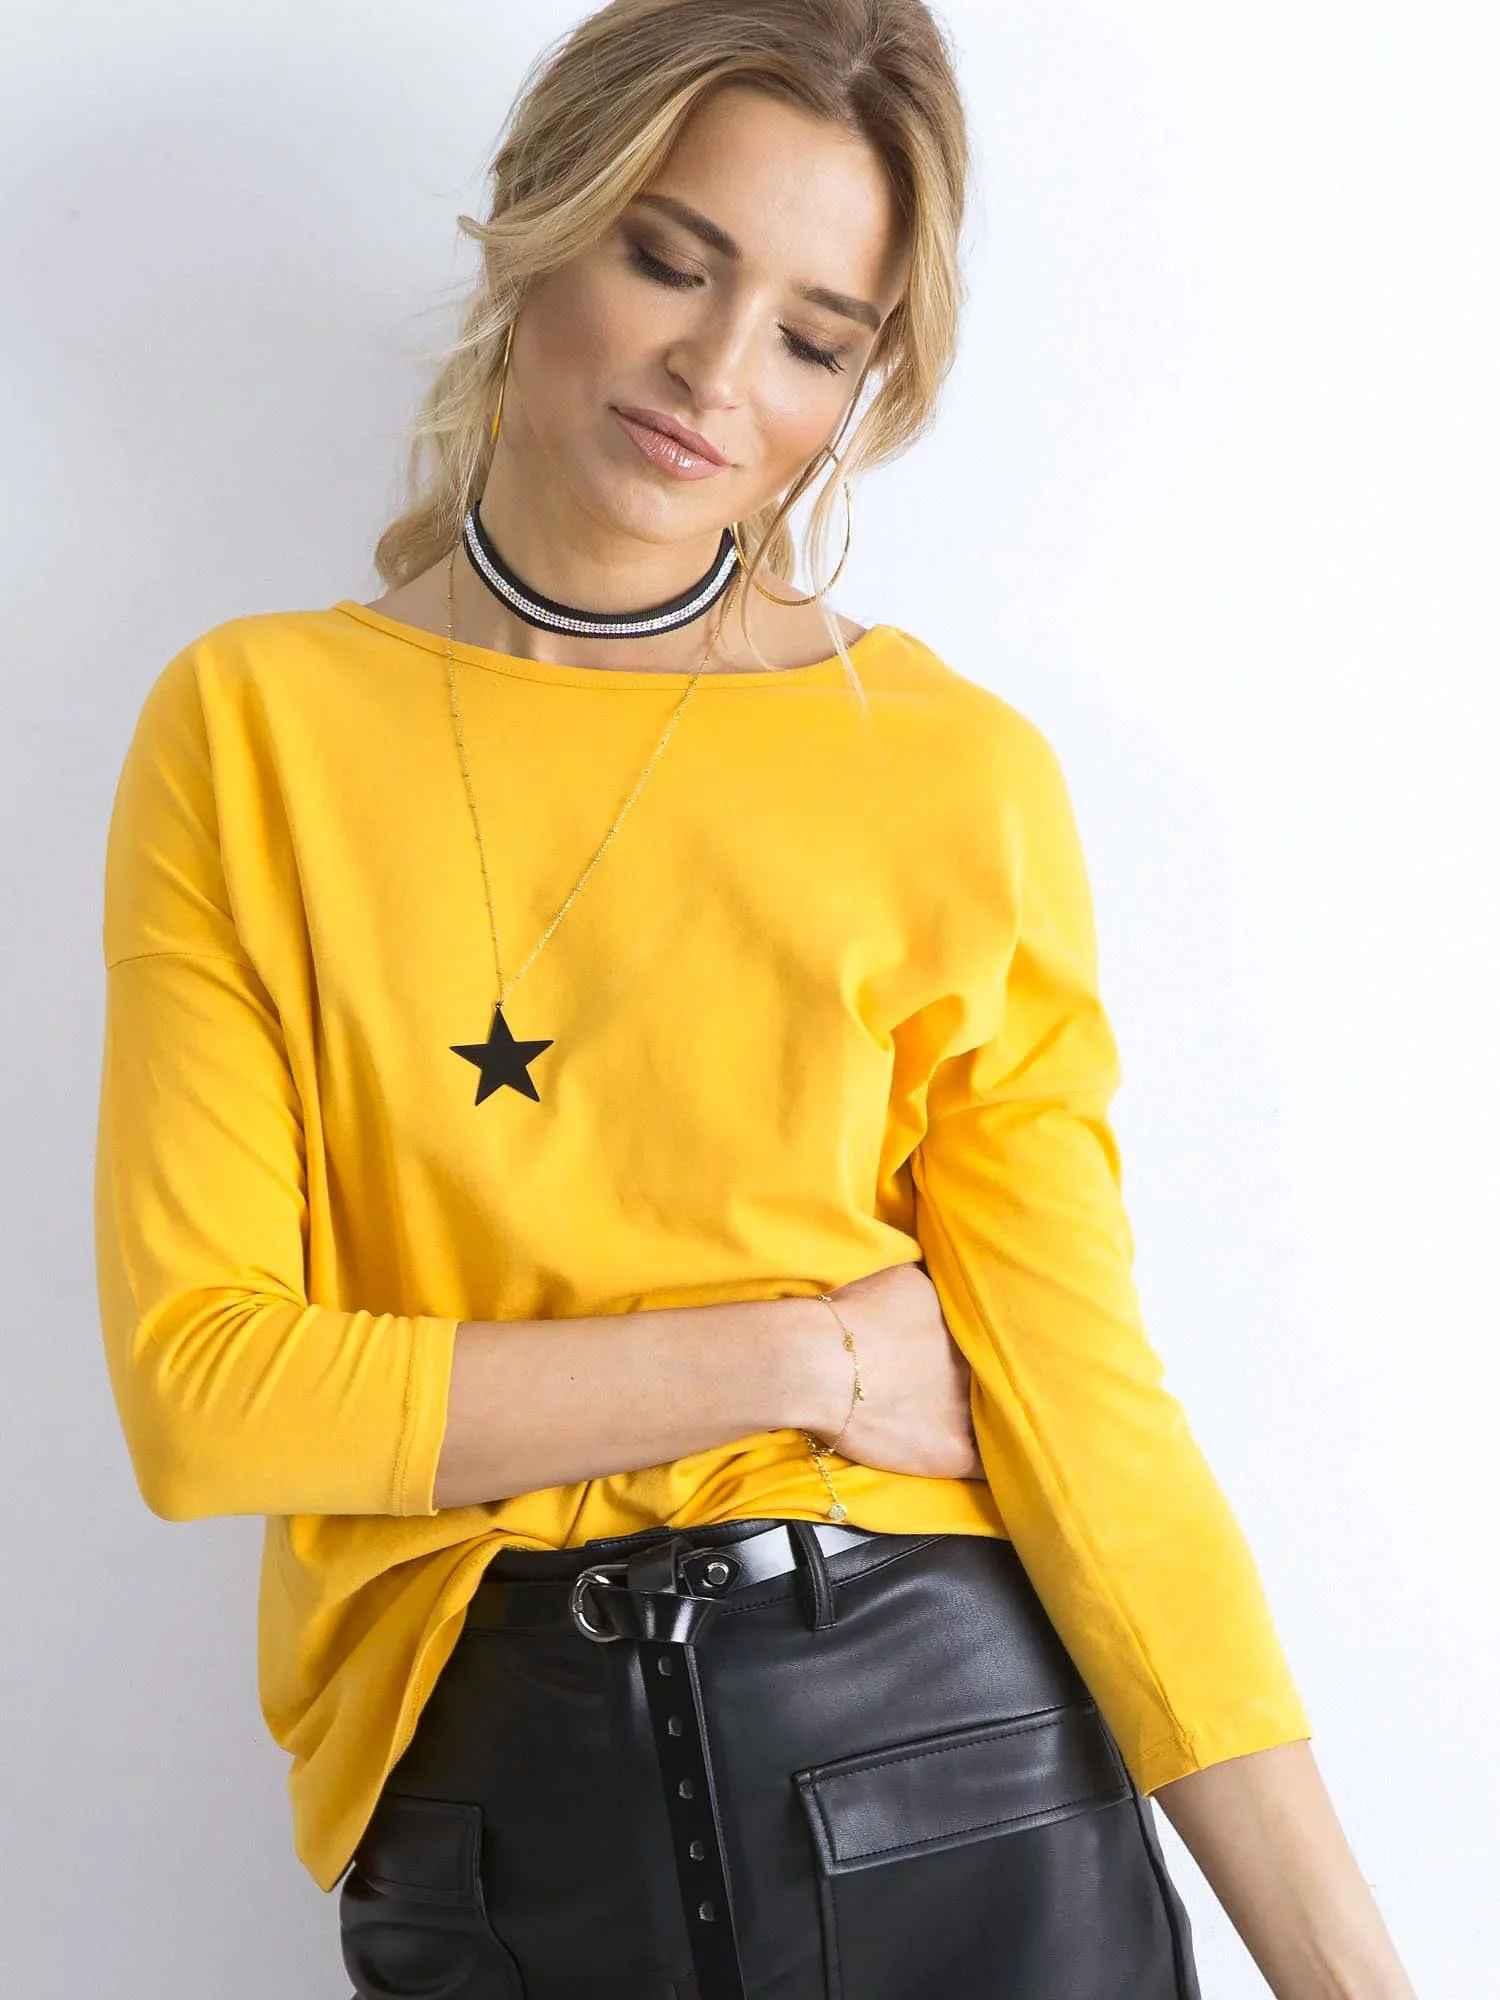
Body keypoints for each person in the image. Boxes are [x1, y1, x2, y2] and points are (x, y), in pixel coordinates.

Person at [93, 3, 1417, 1995]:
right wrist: (809, 1357)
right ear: (545, 216)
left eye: (813, 337)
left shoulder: (946, 771)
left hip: (955, 1759)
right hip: (498, 1806)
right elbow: (207, 1400)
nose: (716, 376)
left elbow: (1086, 1419)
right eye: (669, 260)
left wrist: (1354, 1976)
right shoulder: (253, 725)